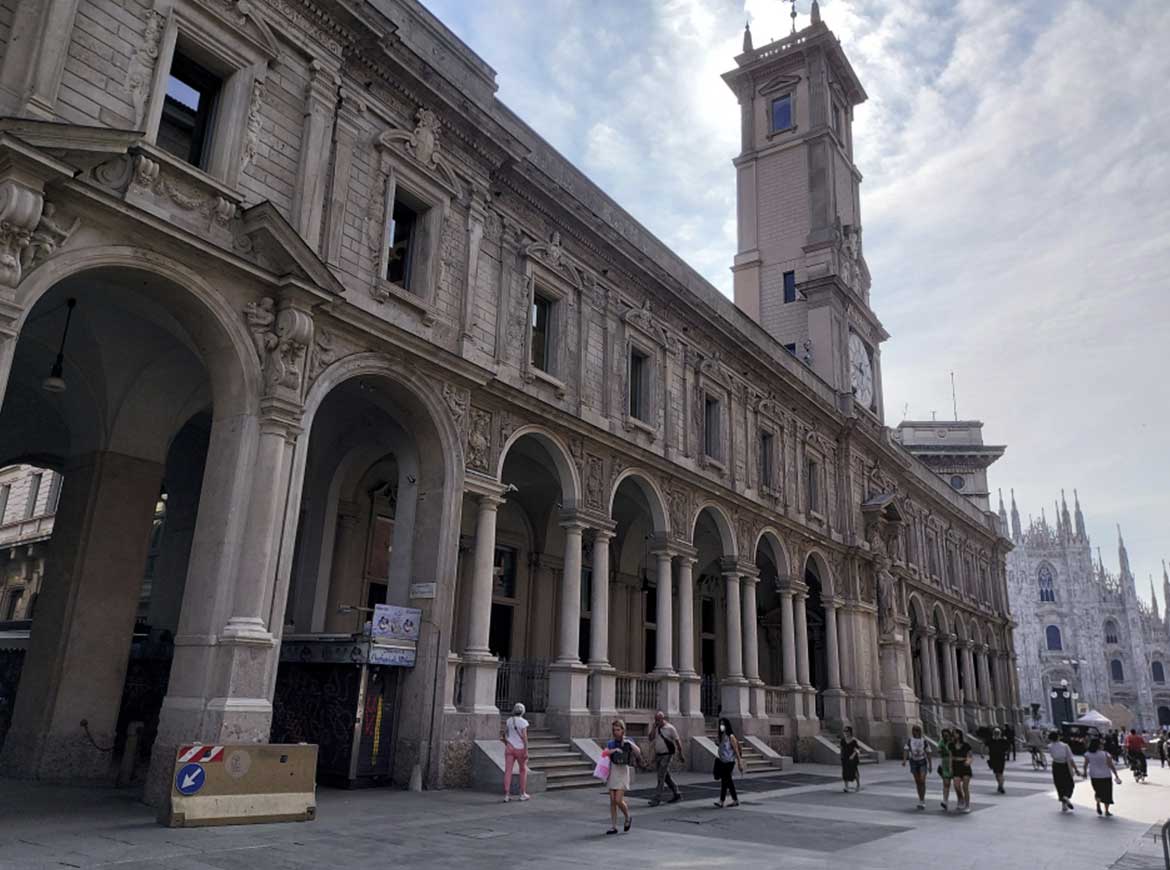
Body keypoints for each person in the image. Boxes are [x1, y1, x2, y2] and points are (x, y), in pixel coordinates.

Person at [602, 718, 643, 834]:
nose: (616, 732)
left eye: (618, 730)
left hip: (623, 771)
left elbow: (638, 751)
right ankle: (613, 826)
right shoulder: (611, 743)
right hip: (613, 770)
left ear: (623, 730)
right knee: (612, 801)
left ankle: (627, 816)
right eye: (614, 730)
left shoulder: (628, 741)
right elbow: (604, 753)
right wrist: (614, 750)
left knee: (618, 799)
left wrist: (628, 743)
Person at [646, 710, 684, 806]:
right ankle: (677, 793)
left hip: (667, 755)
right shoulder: (657, 728)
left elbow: (678, 741)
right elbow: (650, 738)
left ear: (662, 719)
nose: (657, 722)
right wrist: (654, 728)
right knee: (666, 777)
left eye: (658, 720)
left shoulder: (670, 728)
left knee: (661, 777)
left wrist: (680, 754)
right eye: (655, 720)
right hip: (658, 754)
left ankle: (656, 799)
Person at [1081, 737, 1121, 817]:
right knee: (1107, 793)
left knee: (1098, 791)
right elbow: (1111, 765)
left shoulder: (1088, 754)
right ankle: (1106, 811)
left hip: (1094, 776)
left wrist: (1085, 773)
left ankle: (1098, 802)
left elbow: (1085, 765)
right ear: (1099, 745)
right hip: (1106, 775)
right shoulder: (1105, 754)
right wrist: (1116, 775)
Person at [500, 702, 530, 802]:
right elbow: (525, 738)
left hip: (509, 747)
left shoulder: (509, 720)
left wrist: (507, 742)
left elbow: (505, 733)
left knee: (508, 771)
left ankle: (506, 795)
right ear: (523, 711)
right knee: (523, 770)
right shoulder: (524, 722)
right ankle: (522, 794)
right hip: (520, 749)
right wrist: (526, 751)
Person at [713, 717, 744, 808]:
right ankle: (734, 800)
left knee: (725, 781)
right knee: (727, 781)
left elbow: (736, 750)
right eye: (720, 724)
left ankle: (722, 801)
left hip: (729, 762)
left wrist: (739, 762)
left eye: (723, 724)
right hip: (722, 761)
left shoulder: (731, 736)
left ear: (727, 725)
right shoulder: (722, 736)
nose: (721, 726)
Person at [902, 724, 932, 809]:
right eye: (914, 730)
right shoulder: (910, 740)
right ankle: (921, 800)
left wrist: (930, 765)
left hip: (922, 761)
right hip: (914, 761)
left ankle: (923, 799)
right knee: (918, 781)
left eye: (916, 730)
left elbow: (928, 752)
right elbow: (906, 750)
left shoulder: (924, 741)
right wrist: (904, 760)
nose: (915, 732)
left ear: (919, 731)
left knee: (922, 780)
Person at [1049, 730, 1078, 812]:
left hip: (1055, 765)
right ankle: (1066, 796)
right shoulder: (1065, 746)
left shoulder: (1050, 746)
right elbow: (1070, 758)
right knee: (1069, 783)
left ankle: (1063, 804)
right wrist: (1075, 769)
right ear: (1058, 737)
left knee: (1059, 784)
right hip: (1064, 765)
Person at [950, 728, 974, 813]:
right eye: (953, 734)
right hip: (956, 765)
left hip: (964, 765)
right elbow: (951, 757)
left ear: (959, 735)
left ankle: (967, 805)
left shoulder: (966, 745)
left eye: (955, 733)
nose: (954, 735)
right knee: (956, 786)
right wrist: (950, 768)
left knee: (965, 787)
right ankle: (961, 799)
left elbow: (970, 756)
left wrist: (968, 761)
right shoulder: (951, 745)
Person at [987, 727, 1010, 795]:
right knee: (997, 773)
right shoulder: (991, 740)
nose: (996, 734)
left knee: (999, 773)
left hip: (1000, 759)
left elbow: (1008, 747)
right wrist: (982, 753)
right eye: (995, 733)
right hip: (993, 759)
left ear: (1000, 733)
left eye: (997, 733)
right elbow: (983, 745)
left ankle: (1001, 786)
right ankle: (1000, 785)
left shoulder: (1003, 740)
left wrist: (1007, 753)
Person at [840, 726, 861, 793]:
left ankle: (858, 785)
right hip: (845, 757)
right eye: (844, 731)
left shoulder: (853, 740)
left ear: (850, 732)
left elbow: (857, 749)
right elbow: (841, 749)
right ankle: (846, 787)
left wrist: (853, 755)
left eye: (847, 731)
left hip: (852, 758)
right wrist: (841, 756)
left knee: (854, 771)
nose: (846, 732)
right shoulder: (843, 740)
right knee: (845, 772)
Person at [937, 727, 955, 811]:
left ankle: (961, 800)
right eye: (944, 735)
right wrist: (941, 750)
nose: (945, 736)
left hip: (954, 763)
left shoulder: (953, 741)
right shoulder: (942, 742)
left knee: (957, 785)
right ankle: (945, 801)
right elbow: (939, 750)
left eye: (947, 735)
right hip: (945, 763)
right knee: (946, 783)